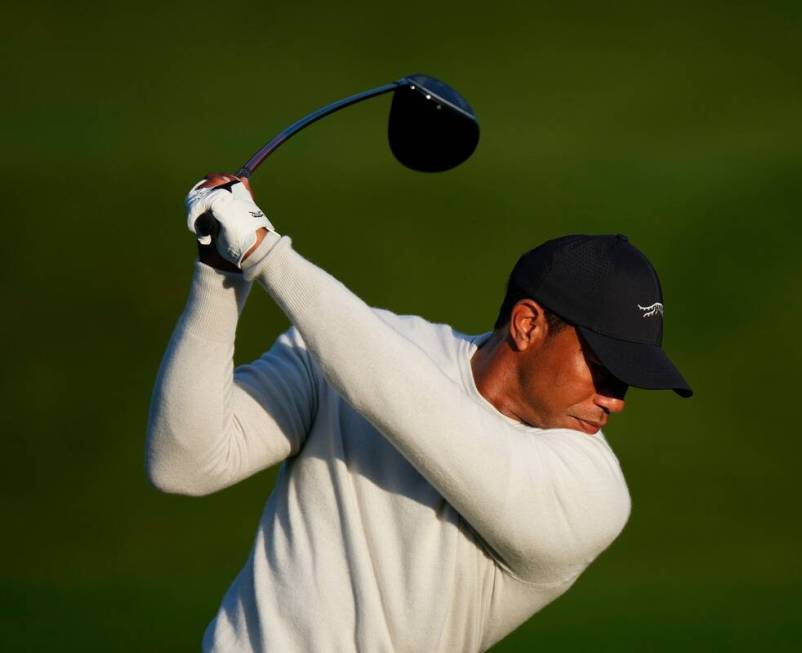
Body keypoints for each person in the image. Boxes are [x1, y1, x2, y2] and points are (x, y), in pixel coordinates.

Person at [146, 173, 693, 653]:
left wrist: (267, 254)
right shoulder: (342, 347)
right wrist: (221, 273)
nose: (615, 399)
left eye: (627, 381)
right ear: (527, 325)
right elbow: (185, 463)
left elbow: (414, 410)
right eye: (604, 367)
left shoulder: (593, 494)